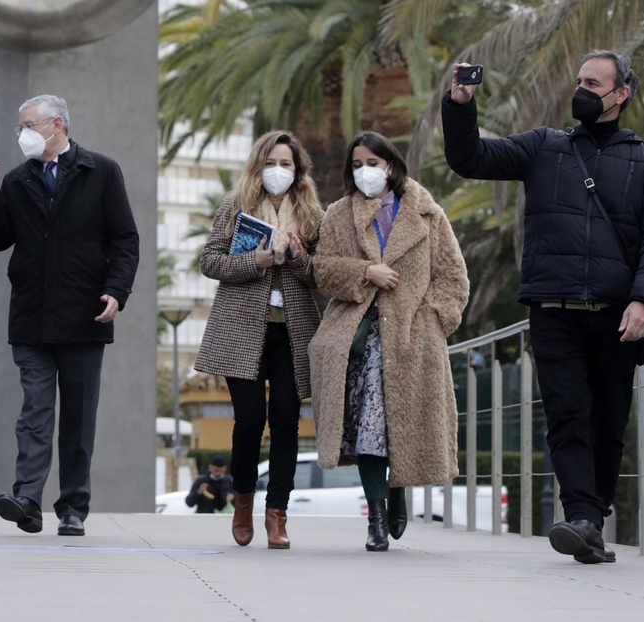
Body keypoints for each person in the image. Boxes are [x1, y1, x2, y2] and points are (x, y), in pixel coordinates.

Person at [442, 51, 644, 564]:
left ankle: (589, 522)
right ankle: (583, 519)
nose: (582, 90)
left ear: (622, 94)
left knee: (608, 421)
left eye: (593, 83)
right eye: (579, 81)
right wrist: (460, 104)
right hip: (553, 309)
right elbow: (471, 160)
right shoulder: (544, 147)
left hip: (620, 315)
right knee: (568, 415)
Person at [0, 94, 140, 539]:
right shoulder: (15, 180)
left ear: (57, 125)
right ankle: (27, 499)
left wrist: (117, 291)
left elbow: (125, 238)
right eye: (20, 127)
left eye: (29, 125)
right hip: (31, 315)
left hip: (85, 315)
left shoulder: (101, 171)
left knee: (78, 417)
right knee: (34, 410)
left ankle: (72, 506)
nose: (22, 134)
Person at [311, 132, 469, 553]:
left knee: (393, 426)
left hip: (411, 338)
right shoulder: (338, 215)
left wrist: (433, 320)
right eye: (358, 163)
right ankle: (376, 518)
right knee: (368, 429)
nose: (365, 170)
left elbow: (453, 276)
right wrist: (365, 271)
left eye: (373, 162)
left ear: (392, 165)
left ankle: (396, 488)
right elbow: (322, 270)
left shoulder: (427, 214)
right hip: (359, 338)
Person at [196, 130, 323, 549]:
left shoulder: (309, 212)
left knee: (287, 422)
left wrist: (300, 257)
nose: (278, 171)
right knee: (249, 420)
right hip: (242, 330)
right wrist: (257, 259)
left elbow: (320, 275)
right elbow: (210, 261)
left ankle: (277, 516)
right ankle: (243, 504)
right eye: (271, 163)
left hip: (292, 331)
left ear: (297, 170)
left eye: (286, 164)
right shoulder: (236, 206)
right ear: (258, 165)